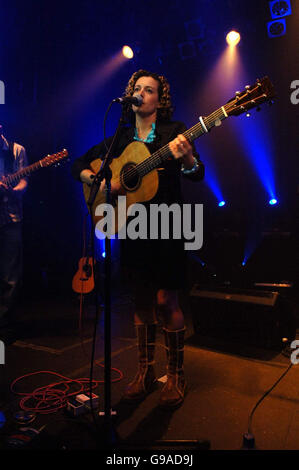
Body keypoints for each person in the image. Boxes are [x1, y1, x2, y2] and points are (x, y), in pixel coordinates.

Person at [71, 70, 204, 409]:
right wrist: (100, 183)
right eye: (138, 89)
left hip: (168, 223)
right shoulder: (121, 137)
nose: (142, 94)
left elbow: (197, 172)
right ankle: (145, 372)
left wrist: (187, 158)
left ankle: (176, 374)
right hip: (133, 225)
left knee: (166, 301)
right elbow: (79, 165)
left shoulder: (175, 131)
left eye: (150, 90)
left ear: (160, 99)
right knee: (141, 300)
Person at [0, 126, 28, 335]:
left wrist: (14, 189)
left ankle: (4, 325)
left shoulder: (17, 150)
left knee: (10, 276)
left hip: (10, 217)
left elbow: (23, 181)